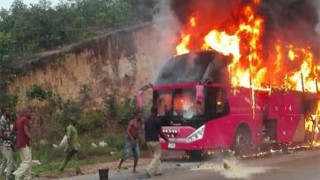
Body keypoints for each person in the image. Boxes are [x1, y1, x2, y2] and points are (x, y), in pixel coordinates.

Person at [144, 106, 168, 178]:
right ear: (156, 111)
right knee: (157, 156)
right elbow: (160, 132)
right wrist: (166, 139)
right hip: (154, 141)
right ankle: (148, 169)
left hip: (148, 141)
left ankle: (158, 171)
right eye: (157, 111)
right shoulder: (157, 120)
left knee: (155, 157)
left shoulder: (147, 120)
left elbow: (145, 130)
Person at [12, 108, 36, 180]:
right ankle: (17, 174)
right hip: (24, 143)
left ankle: (27, 177)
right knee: (28, 161)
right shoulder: (25, 119)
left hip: (19, 144)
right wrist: (34, 141)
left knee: (24, 162)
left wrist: (19, 133)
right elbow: (26, 131)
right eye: (30, 112)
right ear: (25, 113)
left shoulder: (18, 120)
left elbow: (12, 131)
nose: (31, 114)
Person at [0, 107, 14, 180]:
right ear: (4, 112)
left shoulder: (7, 120)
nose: (9, 111)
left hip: (7, 144)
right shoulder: (1, 121)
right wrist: (10, 138)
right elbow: (1, 134)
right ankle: (8, 177)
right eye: (8, 110)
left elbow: (8, 132)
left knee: (5, 162)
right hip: (4, 144)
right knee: (10, 161)